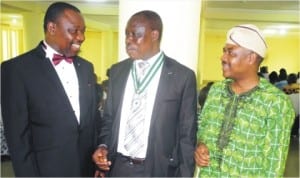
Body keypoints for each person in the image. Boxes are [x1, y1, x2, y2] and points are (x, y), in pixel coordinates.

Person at [92, 10, 197, 177]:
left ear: (154, 34)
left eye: (135, 34)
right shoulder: (118, 71)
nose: (128, 40)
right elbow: (109, 118)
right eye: (127, 34)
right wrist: (103, 146)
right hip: (119, 167)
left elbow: (187, 135)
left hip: (158, 170)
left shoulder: (182, 76)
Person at [1, 2, 100, 177]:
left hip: (86, 171)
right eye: (74, 30)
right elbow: (18, 140)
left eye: (83, 30)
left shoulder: (86, 68)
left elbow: (92, 122)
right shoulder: (17, 70)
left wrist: (97, 164)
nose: (81, 37)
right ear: (52, 28)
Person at [194, 24, 295, 177]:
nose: (223, 57)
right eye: (224, 51)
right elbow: (202, 128)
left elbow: (274, 166)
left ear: (251, 58)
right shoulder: (216, 91)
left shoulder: (275, 102)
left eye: (231, 52)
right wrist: (200, 145)